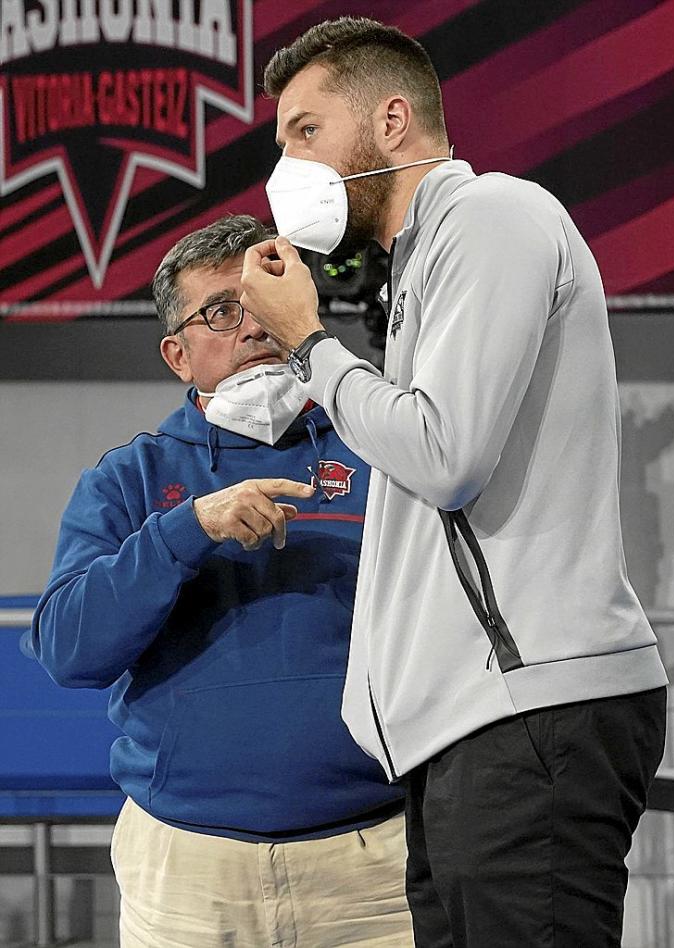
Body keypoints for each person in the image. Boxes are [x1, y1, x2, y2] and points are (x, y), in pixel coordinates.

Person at [238, 17, 669, 948]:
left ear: (393, 121)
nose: (287, 170)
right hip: (466, 731)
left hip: (529, 713)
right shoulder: (422, 263)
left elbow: (446, 455)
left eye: (306, 132)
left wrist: (314, 345)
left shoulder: (493, 215)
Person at [31, 214, 414, 948]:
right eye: (220, 311)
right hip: (187, 868)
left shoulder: (382, 447)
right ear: (178, 354)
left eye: (264, 299)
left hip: (370, 863)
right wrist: (186, 531)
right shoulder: (129, 479)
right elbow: (69, 651)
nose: (252, 326)